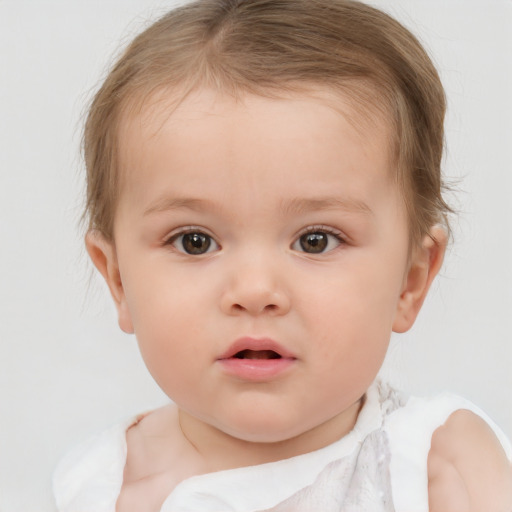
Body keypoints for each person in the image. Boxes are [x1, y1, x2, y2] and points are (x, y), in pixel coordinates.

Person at [53, 0, 512, 510]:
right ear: (118, 280)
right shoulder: (95, 487)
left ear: (411, 279)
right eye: (194, 241)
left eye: (315, 240)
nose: (254, 291)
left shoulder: (435, 467)